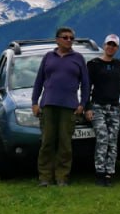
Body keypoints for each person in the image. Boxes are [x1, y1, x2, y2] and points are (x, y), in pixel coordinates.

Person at [31, 26, 91, 187]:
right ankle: (44, 177)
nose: (69, 40)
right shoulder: (48, 57)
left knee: (65, 144)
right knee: (47, 142)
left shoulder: (78, 58)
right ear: (57, 39)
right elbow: (38, 81)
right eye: (65, 37)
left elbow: (86, 84)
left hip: (69, 106)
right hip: (48, 105)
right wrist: (34, 102)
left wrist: (82, 104)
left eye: (71, 38)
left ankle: (62, 177)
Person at [86, 35, 120, 186]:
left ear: (117, 48)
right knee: (102, 138)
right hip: (98, 106)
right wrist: (87, 106)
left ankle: (110, 173)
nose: (111, 47)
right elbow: (86, 87)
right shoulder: (94, 64)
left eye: (114, 45)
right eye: (109, 44)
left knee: (113, 141)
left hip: (114, 107)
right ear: (104, 45)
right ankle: (100, 172)